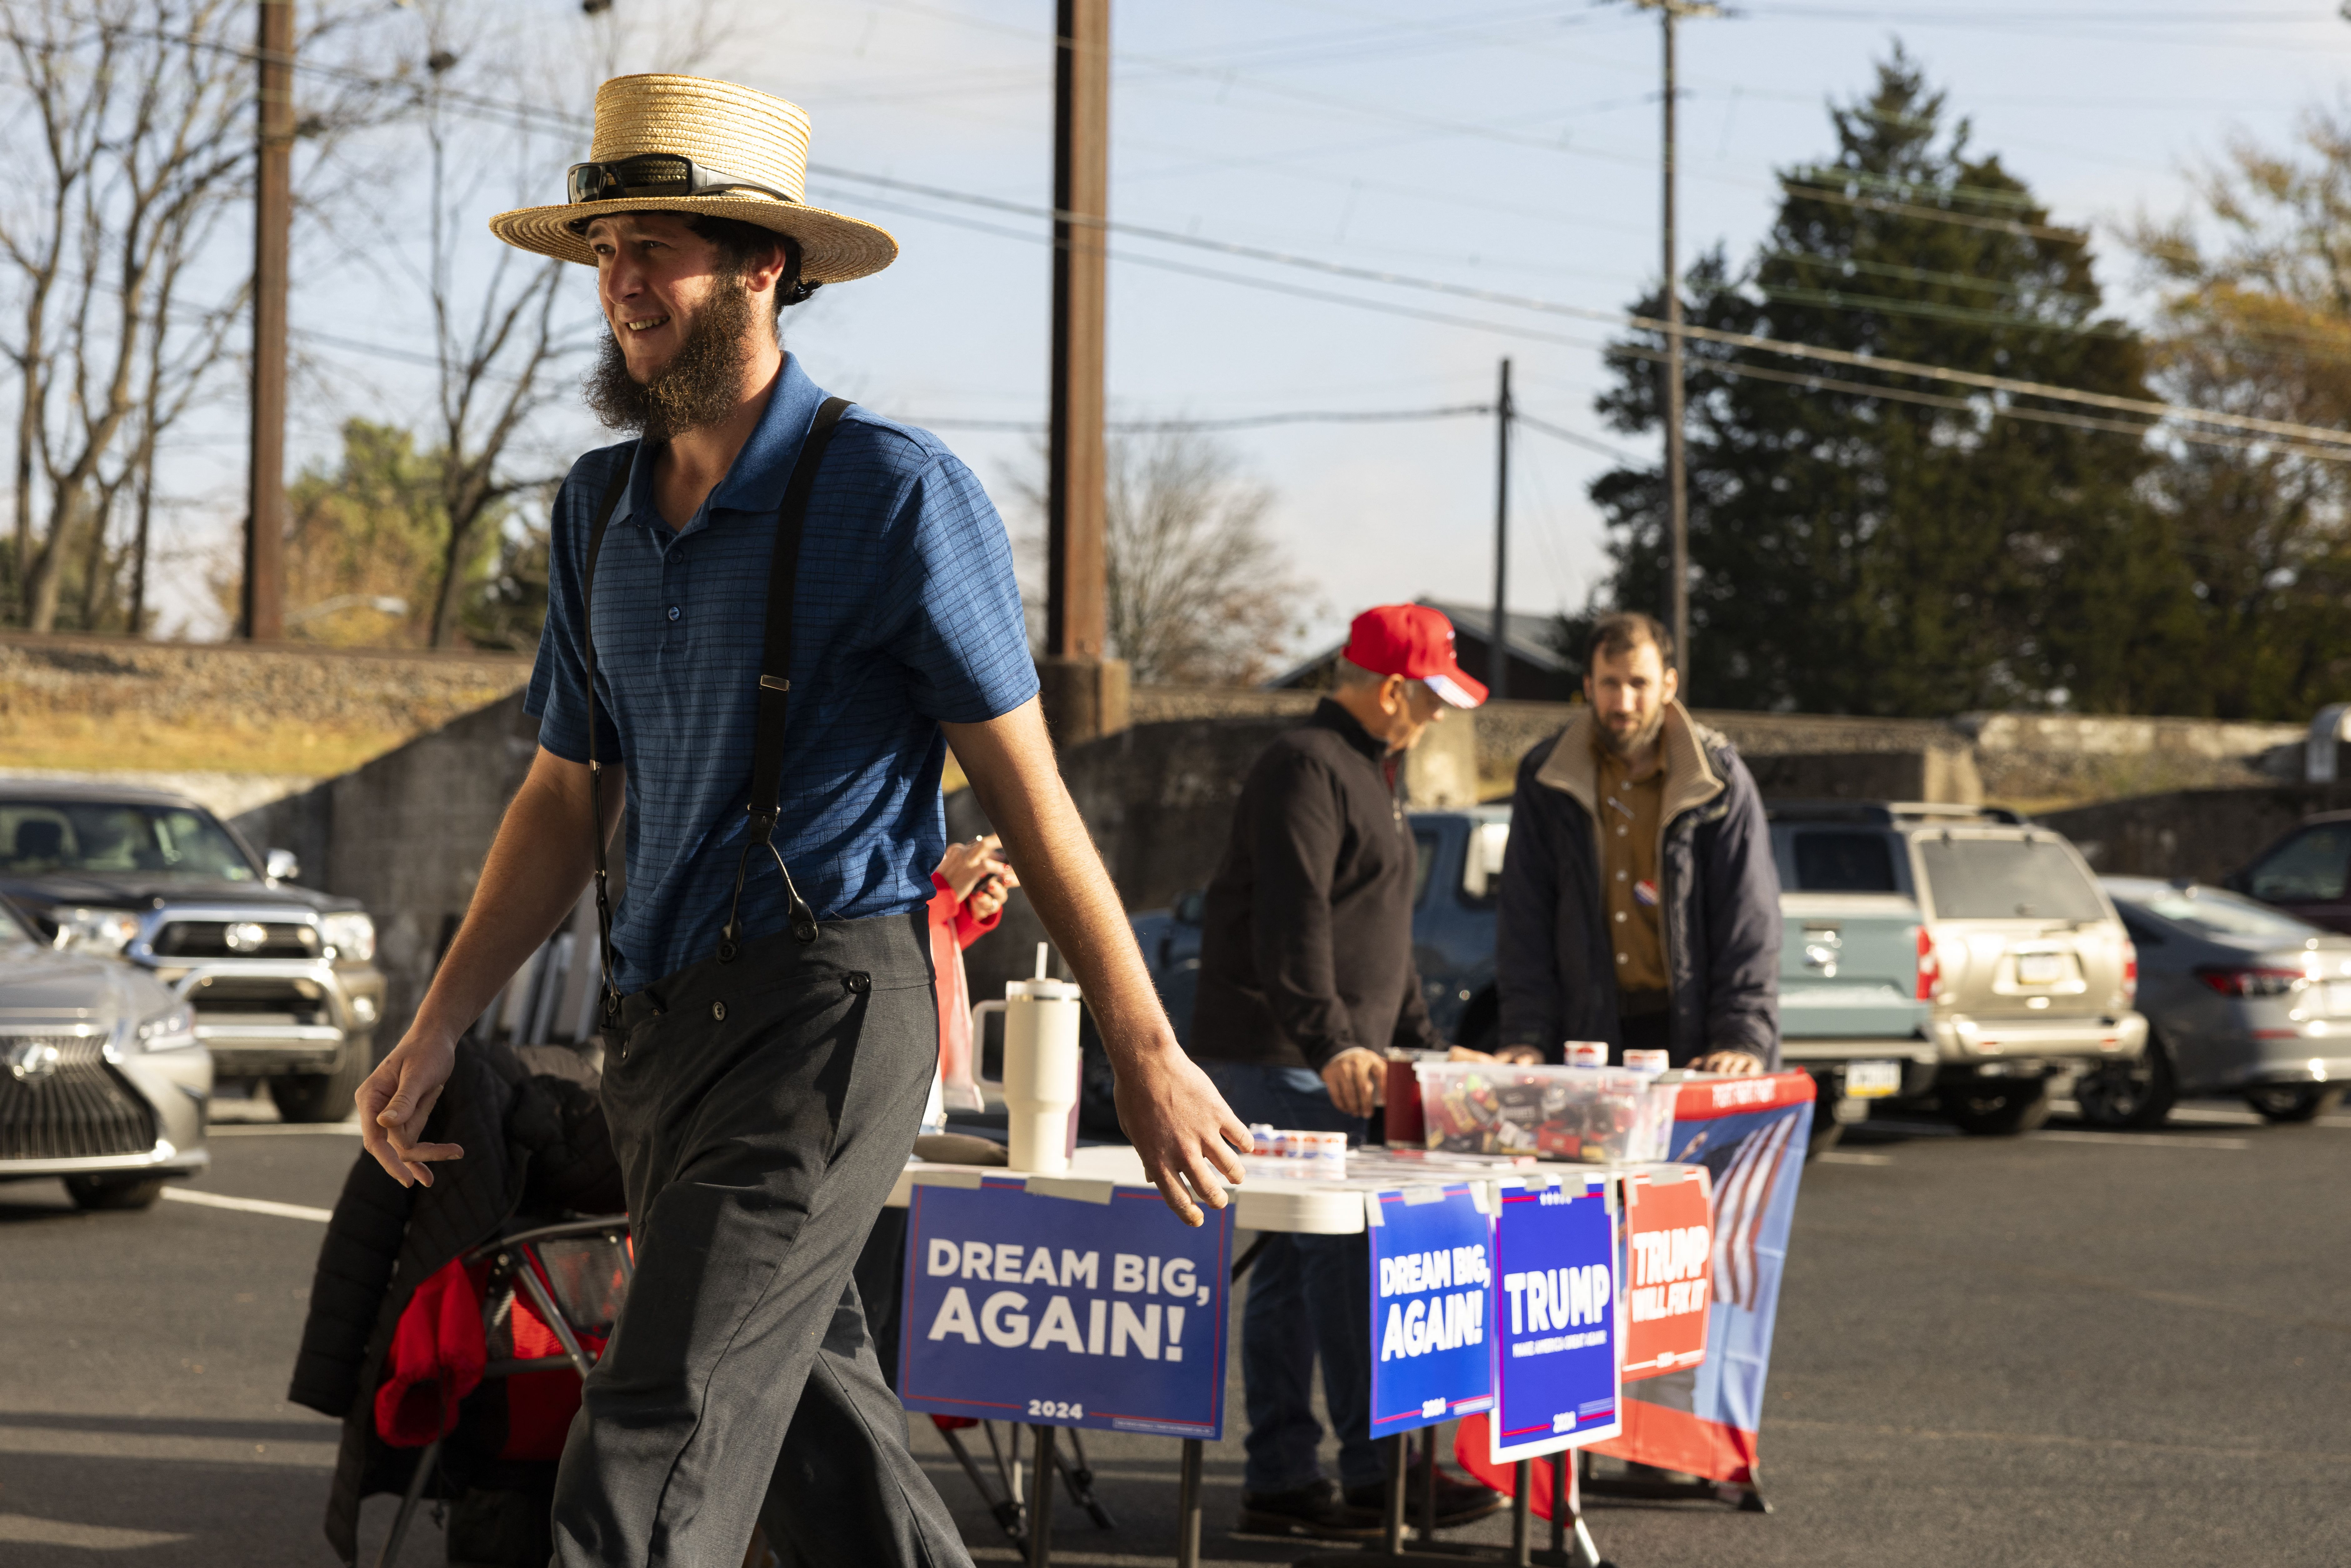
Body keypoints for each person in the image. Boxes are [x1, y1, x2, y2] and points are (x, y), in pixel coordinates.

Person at [350, 74, 1248, 1568]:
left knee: (647, 1456)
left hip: (822, 1027)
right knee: (830, 1472)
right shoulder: (595, 510)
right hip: (656, 1045)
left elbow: (1028, 790)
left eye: (661, 246)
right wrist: (440, 1021)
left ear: (764, 265)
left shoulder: (896, 497)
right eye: (607, 248)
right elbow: (563, 796)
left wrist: (1145, 1047)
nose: (624, 280)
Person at [1189, 604, 1504, 1538]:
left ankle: (1286, 1476)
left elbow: (1379, 930)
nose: (1442, 716)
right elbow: (1295, 924)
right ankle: (1375, 1473)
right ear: (1393, 688)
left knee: (1295, 1269)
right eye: (1435, 698)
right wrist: (1332, 1043)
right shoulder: (1305, 765)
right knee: (1338, 1259)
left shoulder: (1372, 771)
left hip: (1329, 1059)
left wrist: (1421, 1042)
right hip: (1282, 1059)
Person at [1495, 612, 1780, 1071]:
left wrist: (1740, 1037)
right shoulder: (1545, 776)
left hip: (1696, 1041)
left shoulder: (1719, 780)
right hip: (1585, 1041)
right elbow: (1524, 917)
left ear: (1669, 685)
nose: (1623, 702)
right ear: (1588, 686)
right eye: (1609, 683)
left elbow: (1748, 920)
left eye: (1639, 684)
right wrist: (1526, 1035)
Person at [926, 833, 1016, 1121]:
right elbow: (891, 935)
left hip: (927, 1033)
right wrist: (946, 888)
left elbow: (937, 943)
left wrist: (970, 910)